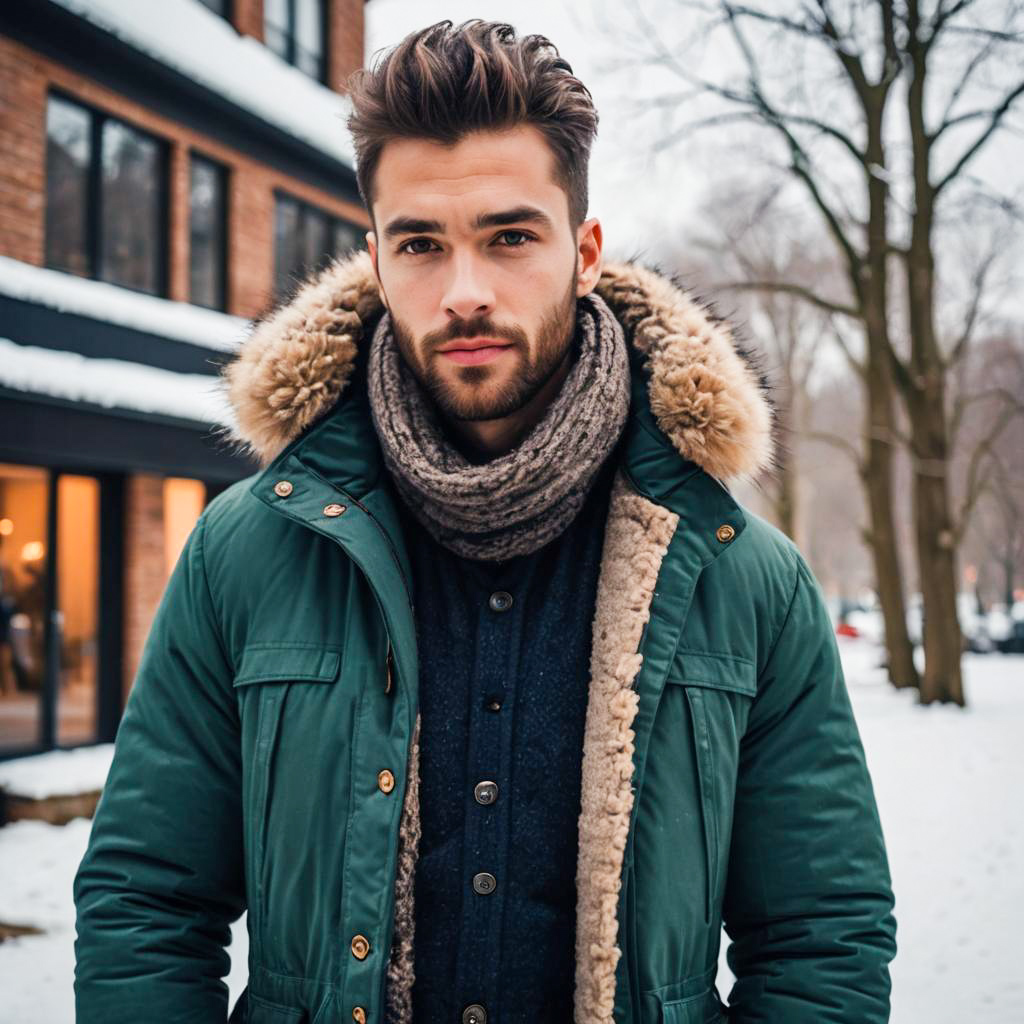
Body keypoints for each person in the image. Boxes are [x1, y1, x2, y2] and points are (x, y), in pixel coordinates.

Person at [73, 19, 896, 1024]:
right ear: (376, 261)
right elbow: (147, 900)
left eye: (510, 237)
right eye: (421, 244)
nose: (464, 292)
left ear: (584, 252)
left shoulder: (738, 574)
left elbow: (823, 931)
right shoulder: (243, 551)